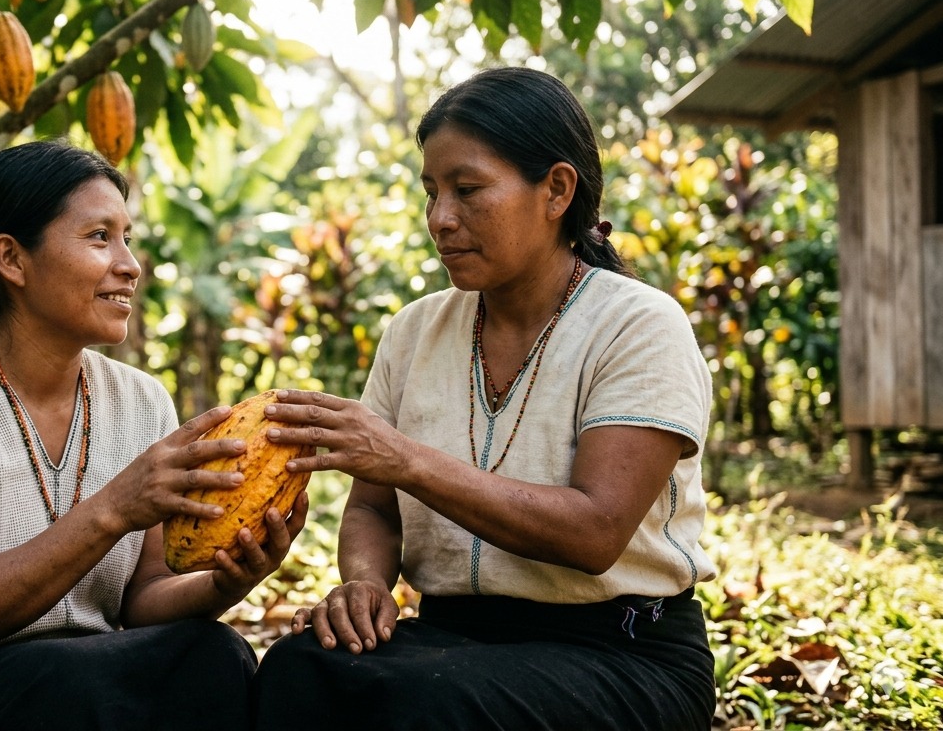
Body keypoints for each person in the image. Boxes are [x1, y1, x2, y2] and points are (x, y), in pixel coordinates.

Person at [251, 67, 718, 730]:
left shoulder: (639, 324)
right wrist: (362, 584)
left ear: (556, 189)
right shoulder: (414, 332)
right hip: (453, 638)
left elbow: (596, 533)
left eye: (468, 190)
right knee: (300, 668)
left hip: (622, 652)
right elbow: (374, 511)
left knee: (433, 703)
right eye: (431, 192)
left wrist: (406, 459)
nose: (441, 219)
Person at [0, 140, 307, 730]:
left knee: (215, 656)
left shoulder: (140, 400)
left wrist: (229, 579)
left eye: (127, 237)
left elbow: (144, 597)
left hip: (77, 680)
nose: (129, 264)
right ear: (11, 258)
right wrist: (115, 508)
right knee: (67, 686)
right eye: (99, 237)